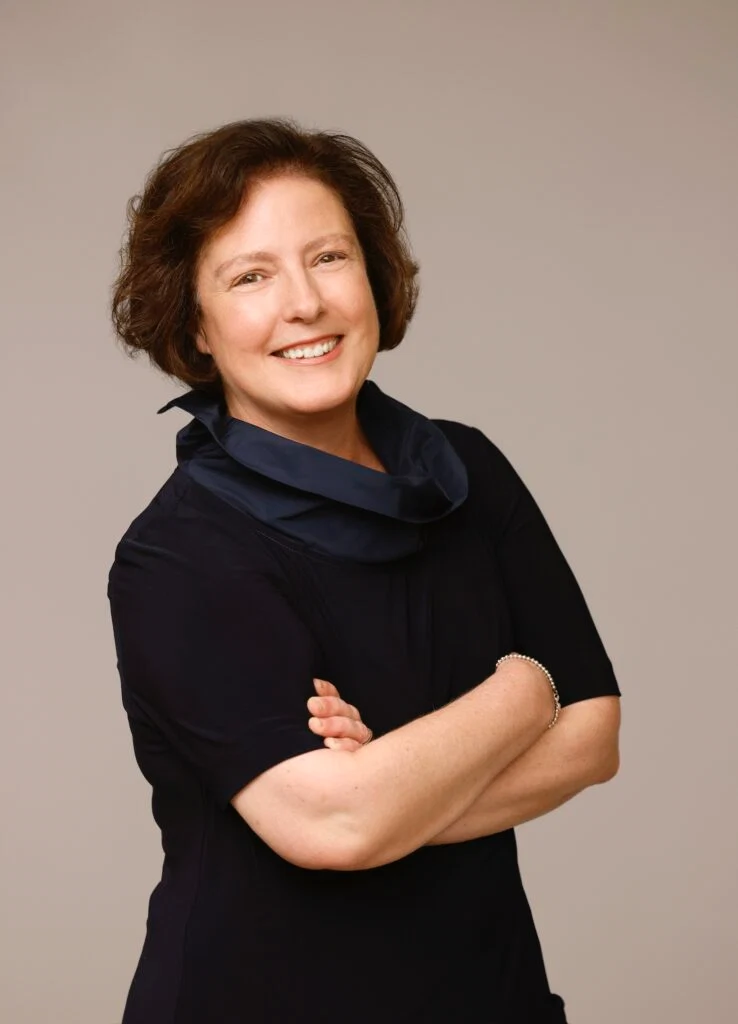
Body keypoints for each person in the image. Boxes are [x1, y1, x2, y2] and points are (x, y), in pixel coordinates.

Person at [108, 118, 621, 1024]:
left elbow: (594, 736)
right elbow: (333, 824)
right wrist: (525, 690)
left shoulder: (467, 469)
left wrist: (389, 789)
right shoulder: (179, 554)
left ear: (373, 275)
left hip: (488, 995)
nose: (304, 303)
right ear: (195, 324)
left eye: (329, 257)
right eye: (251, 276)